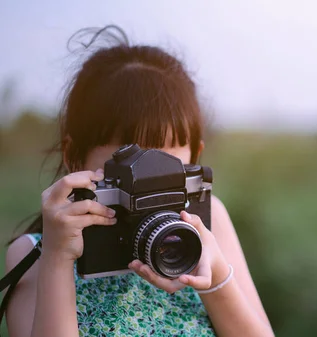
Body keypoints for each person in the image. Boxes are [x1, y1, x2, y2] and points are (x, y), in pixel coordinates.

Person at [3, 25, 274, 337]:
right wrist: (57, 258)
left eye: (168, 169)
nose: (146, 185)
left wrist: (215, 279)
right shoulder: (33, 255)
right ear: (74, 157)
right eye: (128, 168)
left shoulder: (208, 222)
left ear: (195, 160)